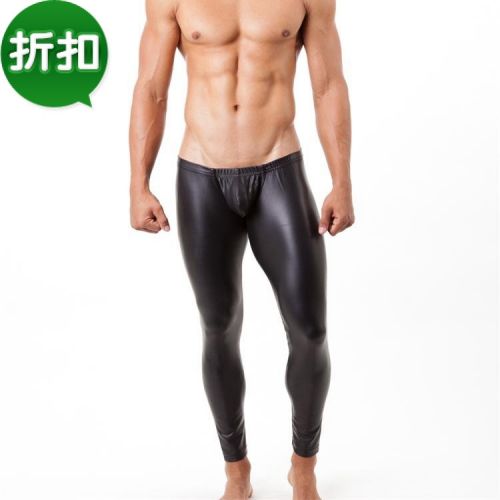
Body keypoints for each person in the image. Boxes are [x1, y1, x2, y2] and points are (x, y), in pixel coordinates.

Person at [129, 0, 354, 498]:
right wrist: (138, 184)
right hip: (201, 174)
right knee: (219, 326)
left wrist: (342, 181)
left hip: (279, 167)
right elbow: (151, 88)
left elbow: (328, 85)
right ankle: (237, 471)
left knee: (310, 329)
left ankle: (303, 465)